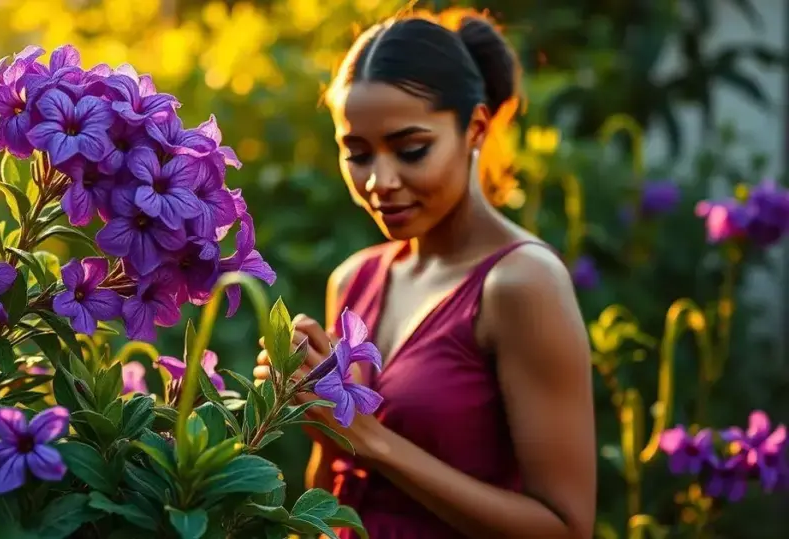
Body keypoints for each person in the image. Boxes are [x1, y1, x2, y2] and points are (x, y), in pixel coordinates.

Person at [253, 8, 597, 539]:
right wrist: (310, 412)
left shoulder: (520, 284)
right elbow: (334, 493)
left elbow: (567, 528)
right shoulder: (354, 280)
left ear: (475, 129)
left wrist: (371, 440)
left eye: (411, 150)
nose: (379, 182)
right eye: (358, 153)